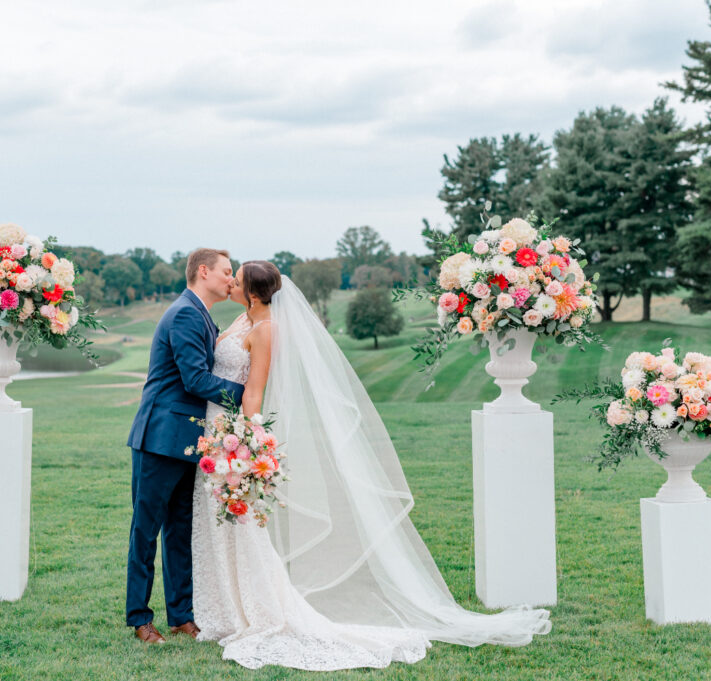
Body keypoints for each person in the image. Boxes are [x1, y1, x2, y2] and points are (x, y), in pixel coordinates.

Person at [191, 261, 551, 670]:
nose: (231, 284)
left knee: (240, 528)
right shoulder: (243, 318)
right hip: (214, 430)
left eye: (236, 280)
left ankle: (255, 610)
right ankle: (225, 607)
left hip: (234, 436)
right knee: (218, 527)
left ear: (253, 293)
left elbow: (254, 393)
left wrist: (248, 447)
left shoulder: (266, 328)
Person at [125, 248, 245, 644]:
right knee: (146, 531)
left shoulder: (202, 315)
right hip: (159, 438)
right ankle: (140, 619)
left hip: (190, 441)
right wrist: (247, 395)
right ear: (204, 271)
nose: (232, 279)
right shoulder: (185, 314)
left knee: (180, 531)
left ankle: (181, 616)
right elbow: (194, 380)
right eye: (227, 272)